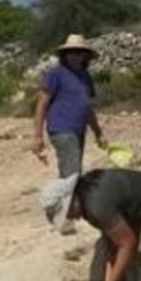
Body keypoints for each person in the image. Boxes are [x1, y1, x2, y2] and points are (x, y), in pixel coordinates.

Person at [32, 34, 108, 181]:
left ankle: (68, 201)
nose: (75, 56)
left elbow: (88, 108)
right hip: (61, 129)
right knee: (72, 174)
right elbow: (41, 105)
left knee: (72, 171)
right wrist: (37, 137)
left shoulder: (85, 76)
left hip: (79, 130)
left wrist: (98, 133)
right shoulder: (56, 74)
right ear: (65, 55)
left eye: (79, 53)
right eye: (71, 52)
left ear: (85, 56)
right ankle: (68, 202)